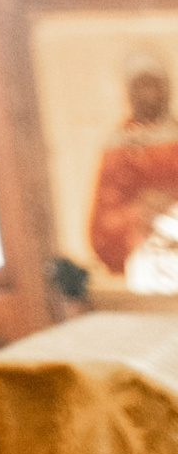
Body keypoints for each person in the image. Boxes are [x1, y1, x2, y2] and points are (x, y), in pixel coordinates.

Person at [86, 51, 178, 283]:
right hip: (141, 254)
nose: (148, 95)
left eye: (154, 86)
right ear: (130, 92)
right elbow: (104, 216)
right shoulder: (119, 144)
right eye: (140, 87)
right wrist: (140, 212)